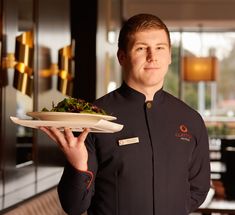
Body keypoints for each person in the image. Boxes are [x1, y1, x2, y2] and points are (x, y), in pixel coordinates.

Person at [40, 13, 210, 215]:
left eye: (159, 48)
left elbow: (198, 190)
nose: (152, 57)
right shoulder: (93, 119)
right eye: (141, 48)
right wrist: (77, 165)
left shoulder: (191, 119)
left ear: (169, 56)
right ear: (122, 57)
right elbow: (74, 206)